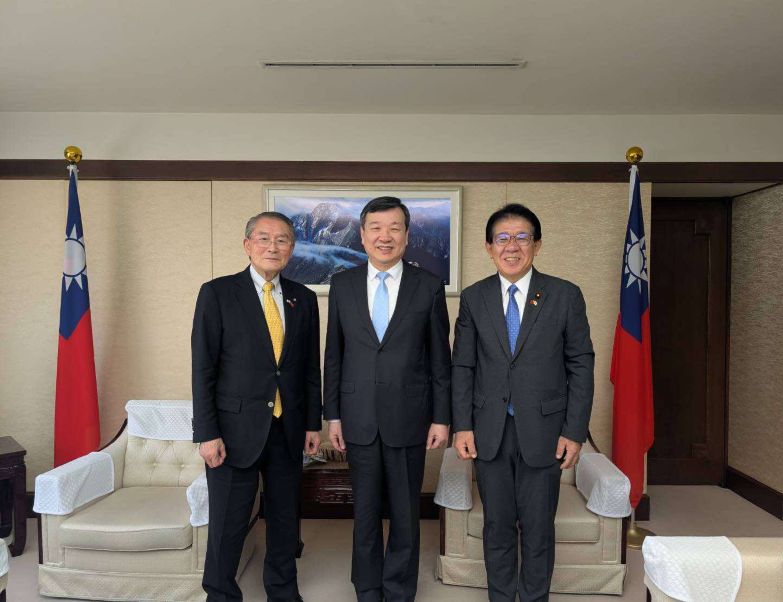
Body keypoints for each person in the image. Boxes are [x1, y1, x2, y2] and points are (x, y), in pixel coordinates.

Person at [451, 203, 594, 602]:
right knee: (496, 526)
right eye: (502, 238)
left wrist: (574, 431)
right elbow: (462, 365)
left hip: (546, 430)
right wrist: (462, 425)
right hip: (489, 429)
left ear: (537, 244)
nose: (511, 246)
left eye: (521, 237)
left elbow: (581, 365)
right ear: (489, 247)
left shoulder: (564, 295)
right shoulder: (475, 297)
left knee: (538, 528)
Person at [324, 196, 451, 602]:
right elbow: (334, 355)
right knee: (363, 512)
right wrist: (333, 415)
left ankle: (398, 590)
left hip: (410, 416)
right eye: (376, 228)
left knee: (405, 512)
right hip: (357, 415)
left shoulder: (428, 286)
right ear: (362, 235)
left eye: (394, 228)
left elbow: (440, 359)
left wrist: (441, 418)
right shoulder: (342, 285)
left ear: (407, 235)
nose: (385, 236)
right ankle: (367, 588)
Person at [192, 211, 321, 602]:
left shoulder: (304, 298)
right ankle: (220, 594)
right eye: (264, 238)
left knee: (284, 520)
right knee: (227, 525)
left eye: (282, 240)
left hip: (287, 428)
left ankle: (282, 592)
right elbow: (203, 369)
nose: (273, 247)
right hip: (233, 432)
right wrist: (207, 433)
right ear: (248, 245)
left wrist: (312, 424)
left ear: (292, 248)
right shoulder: (217, 293)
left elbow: (309, 368)